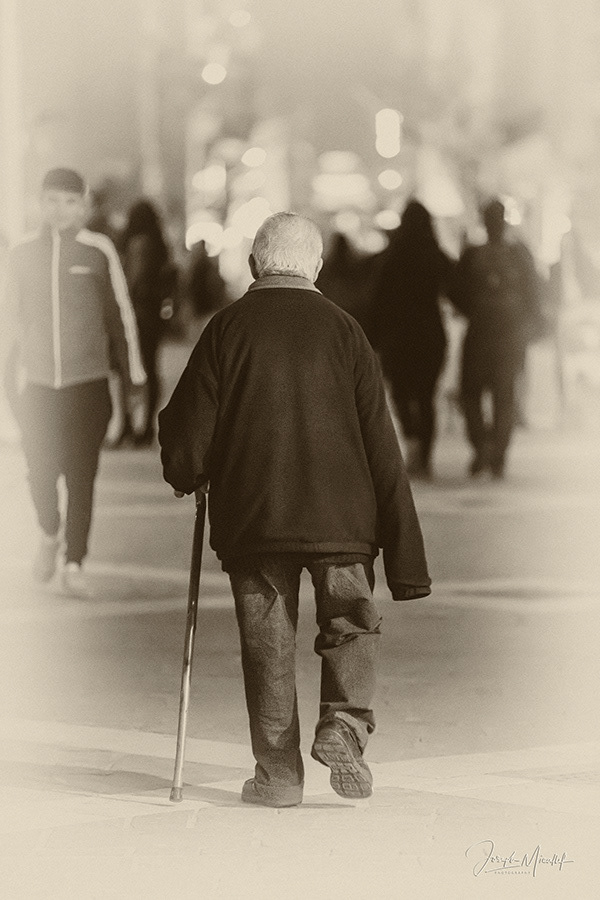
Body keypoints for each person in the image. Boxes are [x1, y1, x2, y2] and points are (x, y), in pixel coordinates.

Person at [158, 212, 431, 808]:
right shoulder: (346, 331)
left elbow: (185, 428)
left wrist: (187, 472)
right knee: (352, 624)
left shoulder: (226, 328)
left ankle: (278, 777)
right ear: (316, 267)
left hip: (256, 519)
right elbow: (382, 445)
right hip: (344, 522)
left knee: (267, 643)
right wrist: (407, 555)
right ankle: (344, 726)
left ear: (256, 263)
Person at [1, 167, 146, 596]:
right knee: (39, 470)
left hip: (89, 383)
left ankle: (75, 562)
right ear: (40, 204)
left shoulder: (99, 251)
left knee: (82, 474)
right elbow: (8, 320)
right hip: (39, 384)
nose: (60, 210)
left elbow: (121, 318)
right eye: (51, 201)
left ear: (82, 206)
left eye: (69, 202)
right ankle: (49, 532)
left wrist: (134, 378)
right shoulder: (21, 254)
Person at [449, 199, 543, 478]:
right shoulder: (518, 254)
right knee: (503, 394)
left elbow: (456, 291)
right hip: (508, 335)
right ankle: (497, 453)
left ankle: (483, 448)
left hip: (482, 332)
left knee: (475, 393)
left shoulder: (473, 254)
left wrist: (475, 309)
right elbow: (534, 293)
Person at [367, 200, 454, 479]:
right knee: (427, 397)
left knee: (402, 394)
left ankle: (412, 445)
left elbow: (376, 300)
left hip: (398, 337)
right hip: (430, 336)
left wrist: (374, 338)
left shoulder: (391, 258)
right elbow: (457, 292)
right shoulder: (436, 256)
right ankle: (425, 457)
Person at [111, 199, 175, 447]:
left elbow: (131, 282)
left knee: (128, 370)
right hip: (153, 316)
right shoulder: (160, 246)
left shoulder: (137, 244)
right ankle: (147, 427)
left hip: (134, 316)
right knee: (150, 370)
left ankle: (127, 425)